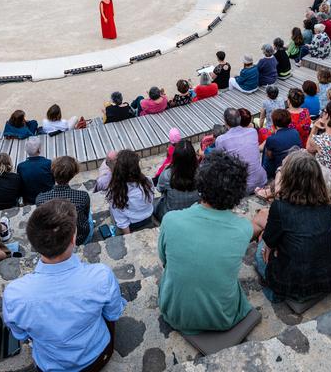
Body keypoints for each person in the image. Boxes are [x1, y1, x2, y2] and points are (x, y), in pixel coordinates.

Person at [3, 200, 125, 372]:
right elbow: (113, 313)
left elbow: (21, 335)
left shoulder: (15, 295)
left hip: (51, 367)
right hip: (98, 357)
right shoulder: (101, 276)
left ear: (33, 243)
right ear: (73, 238)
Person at [158, 151, 253, 333]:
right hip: (222, 318)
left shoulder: (170, 220)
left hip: (174, 314)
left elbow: (164, 261)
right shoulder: (244, 229)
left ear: (200, 183)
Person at [251, 151, 331, 302]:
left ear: (288, 178)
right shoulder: (325, 205)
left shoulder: (280, 207)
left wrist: (270, 246)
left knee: (260, 251)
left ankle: (275, 294)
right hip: (328, 276)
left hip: (297, 282)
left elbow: (269, 242)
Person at [35, 156, 93, 245]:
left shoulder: (40, 199)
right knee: (89, 214)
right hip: (79, 238)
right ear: (73, 174)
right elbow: (85, 213)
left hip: (56, 241)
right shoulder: (83, 196)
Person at [214, 107, 267, 193]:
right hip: (260, 180)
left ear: (225, 121)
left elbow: (219, 163)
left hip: (242, 187)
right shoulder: (252, 132)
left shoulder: (221, 139)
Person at [105, 150, 155, 234]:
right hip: (148, 217)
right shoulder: (148, 181)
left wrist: (129, 236)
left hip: (132, 224)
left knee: (111, 210)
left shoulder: (115, 193)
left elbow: (122, 222)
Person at [154, 140, 201, 222]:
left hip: (170, 215)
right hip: (193, 212)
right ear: (193, 157)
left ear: (175, 158)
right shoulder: (201, 173)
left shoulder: (166, 175)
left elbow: (160, 189)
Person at [261, 109, 302, 181]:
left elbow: (269, 156)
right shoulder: (295, 132)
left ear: (274, 123)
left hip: (280, 167)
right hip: (294, 163)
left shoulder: (272, 139)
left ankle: (267, 176)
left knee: (266, 149)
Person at [17, 137, 55, 206]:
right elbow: (53, 180)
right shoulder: (48, 163)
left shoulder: (21, 167)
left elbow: (20, 185)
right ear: (39, 150)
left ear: (26, 151)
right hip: (49, 198)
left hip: (30, 201)